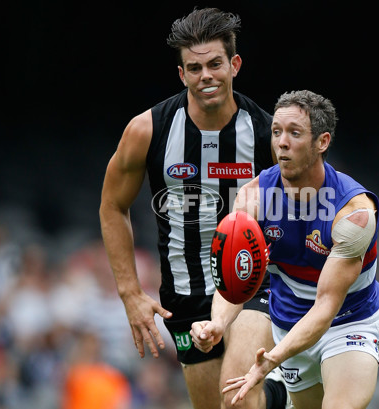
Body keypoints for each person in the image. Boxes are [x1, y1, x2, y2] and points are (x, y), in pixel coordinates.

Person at [99, 7, 288, 409]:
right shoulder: (147, 130)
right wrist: (130, 292)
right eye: (195, 67)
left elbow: (309, 203)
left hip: (254, 286)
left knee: (237, 400)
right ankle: (281, 399)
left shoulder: (267, 135)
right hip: (184, 294)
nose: (207, 76)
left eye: (215, 64)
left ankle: (282, 395)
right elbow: (113, 207)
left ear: (234, 65)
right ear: (182, 74)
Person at [192, 90, 379, 409]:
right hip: (288, 320)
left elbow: (326, 306)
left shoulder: (353, 213)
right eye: (276, 132)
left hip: (349, 320)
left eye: (294, 133)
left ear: (322, 142)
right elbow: (234, 279)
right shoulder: (252, 199)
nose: (281, 142)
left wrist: (271, 359)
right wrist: (217, 323)